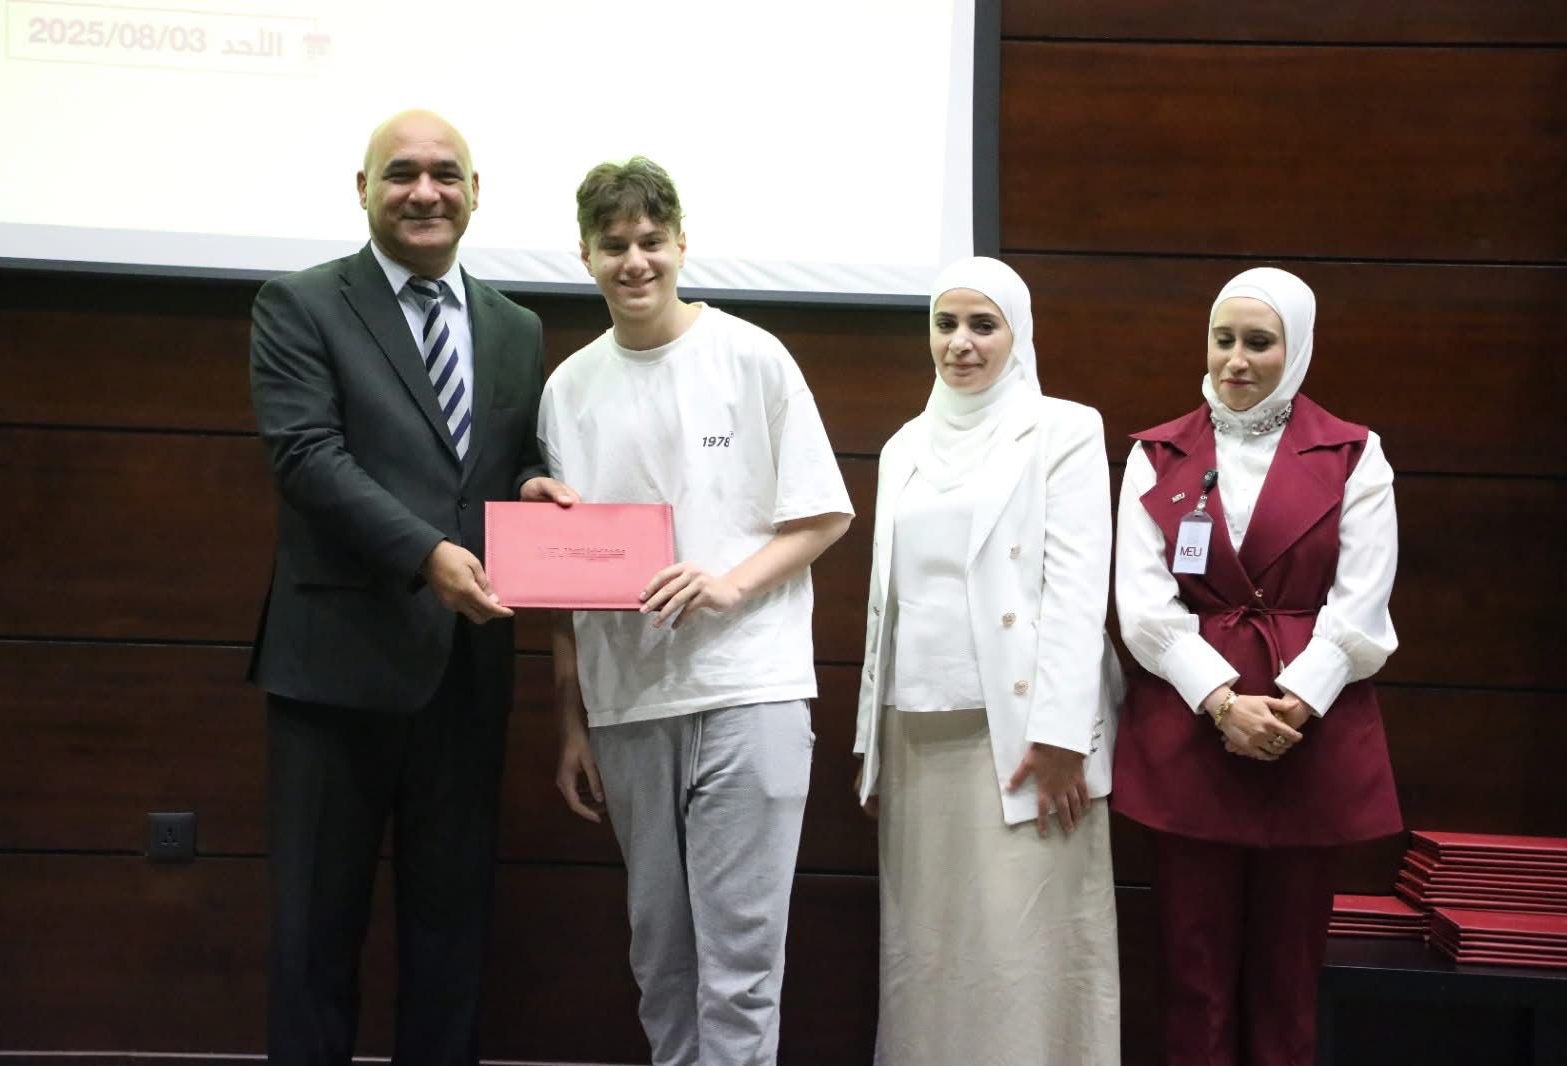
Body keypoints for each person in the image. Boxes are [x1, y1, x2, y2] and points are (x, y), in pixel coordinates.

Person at [247, 109, 576, 1065]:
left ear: (475, 192)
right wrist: (427, 553)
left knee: (451, 935)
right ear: (364, 190)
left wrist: (532, 485)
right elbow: (307, 456)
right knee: (316, 935)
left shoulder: (514, 326)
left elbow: (502, 458)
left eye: (444, 174)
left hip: (466, 672)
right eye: (401, 174)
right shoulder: (301, 304)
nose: (424, 192)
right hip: (334, 673)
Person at [542, 157, 853, 1066]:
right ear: (586, 255)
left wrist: (730, 585)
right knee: (661, 959)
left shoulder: (751, 356)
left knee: (740, 964)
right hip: (628, 703)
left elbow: (824, 514)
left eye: (651, 241)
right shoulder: (568, 388)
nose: (635, 261)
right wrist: (571, 721)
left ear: (682, 243)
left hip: (749, 687)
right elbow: (559, 571)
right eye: (614, 245)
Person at [1111, 267, 1401, 1066]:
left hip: (1310, 732)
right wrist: (1221, 702)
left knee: (1288, 975)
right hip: (1191, 729)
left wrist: (1292, 706)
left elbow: (1362, 602)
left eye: (1259, 342)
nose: (1236, 359)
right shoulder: (1158, 452)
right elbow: (1141, 607)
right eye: (1223, 339)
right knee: (1191, 972)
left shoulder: (1354, 453)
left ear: (1297, 347)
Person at [852, 256, 1123, 1066]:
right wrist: (871, 745)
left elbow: (1078, 589)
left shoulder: (1064, 429)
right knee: (928, 951)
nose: (960, 343)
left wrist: (1064, 733)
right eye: (945, 324)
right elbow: (885, 604)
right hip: (916, 731)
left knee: (1026, 950)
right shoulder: (903, 444)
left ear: (1018, 334)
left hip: (1027, 736)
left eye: (982, 325)